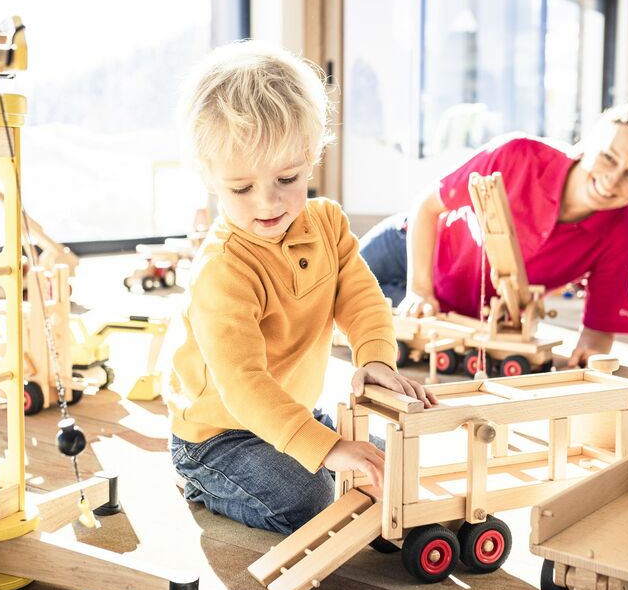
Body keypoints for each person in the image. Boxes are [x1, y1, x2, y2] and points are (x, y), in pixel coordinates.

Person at [166, 41, 435, 535]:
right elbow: (244, 386)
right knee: (311, 495)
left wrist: (374, 358)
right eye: (242, 188)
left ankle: (314, 454)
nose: (268, 203)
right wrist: (327, 449)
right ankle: (200, 481)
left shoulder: (327, 222)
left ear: (310, 158)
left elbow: (359, 295)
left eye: (286, 178)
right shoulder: (223, 270)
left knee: (387, 458)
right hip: (218, 434)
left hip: (286, 407)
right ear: (209, 178)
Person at [360, 101, 628, 368]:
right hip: (408, 250)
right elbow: (427, 206)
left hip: (454, 313)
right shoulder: (517, 154)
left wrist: (588, 360)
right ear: (588, 143)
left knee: (362, 321)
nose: (612, 180)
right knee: (323, 289)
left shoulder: (622, 235)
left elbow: (598, 335)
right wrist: (419, 289)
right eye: (608, 157)